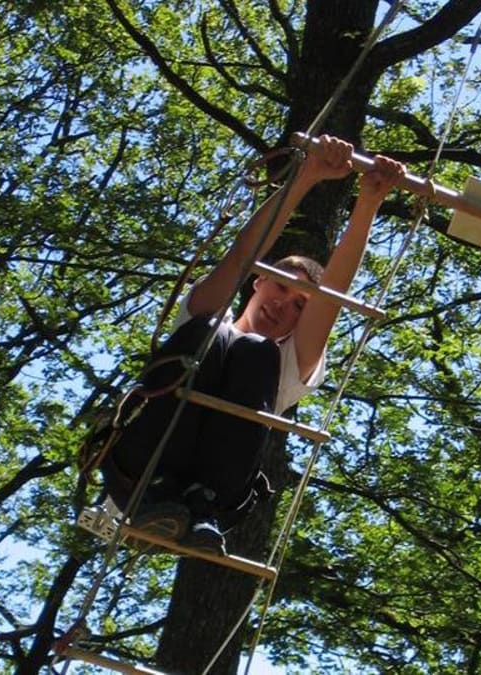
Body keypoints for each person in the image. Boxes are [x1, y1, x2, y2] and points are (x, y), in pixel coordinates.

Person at [98, 135, 405, 556]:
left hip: (216, 497)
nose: (284, 305)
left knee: (258, 351)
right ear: (258, 281)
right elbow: (242, 254)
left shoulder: (287, 365)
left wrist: (368, 203)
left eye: (300, 306)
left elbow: (334, 297)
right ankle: (159, 488)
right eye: (282, 286)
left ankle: (198, 501)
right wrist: (307, 176)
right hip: (139, 466)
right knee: (212, 334)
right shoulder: (208, 316)